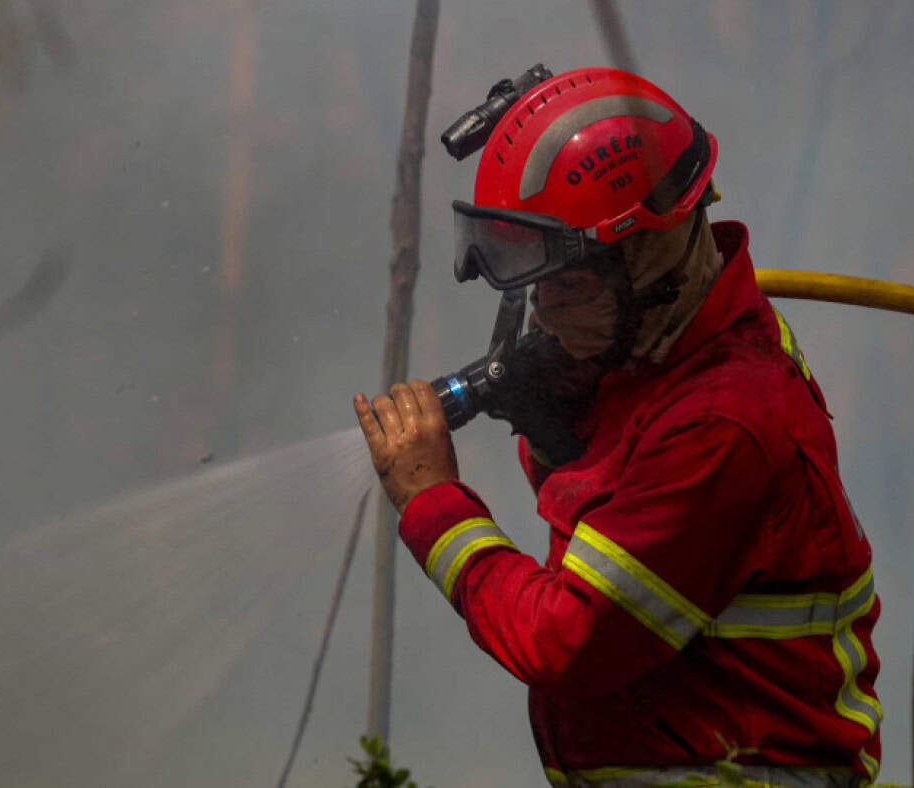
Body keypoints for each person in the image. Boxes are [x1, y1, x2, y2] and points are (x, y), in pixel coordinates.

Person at [353, 66, 881, 788]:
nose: (543, 312)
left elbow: (565, 643)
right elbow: (627, 521)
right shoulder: (671, 354)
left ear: (648, 258)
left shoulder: (721, 421)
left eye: (566, 283)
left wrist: (432, 503)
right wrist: (558, 436)